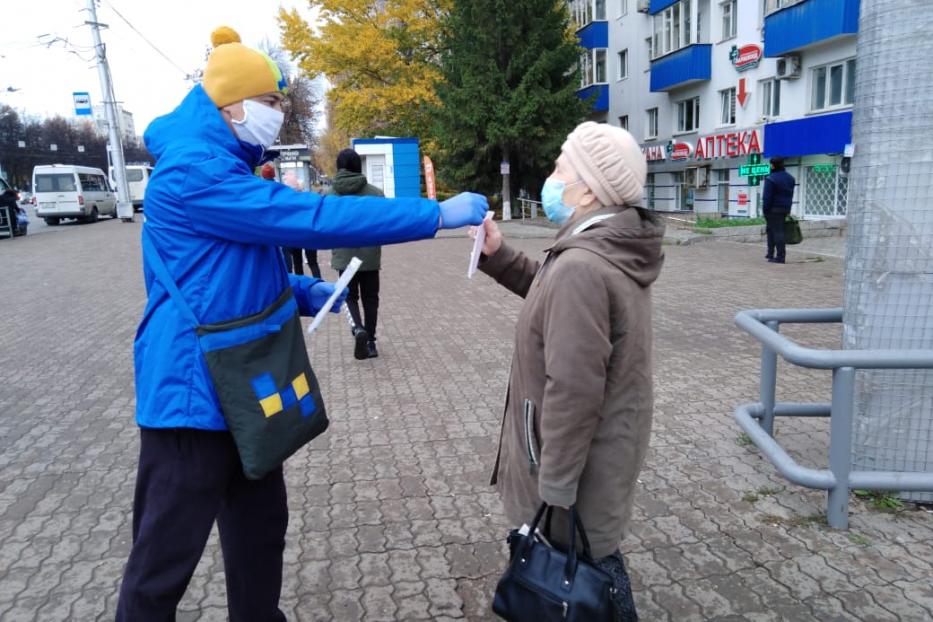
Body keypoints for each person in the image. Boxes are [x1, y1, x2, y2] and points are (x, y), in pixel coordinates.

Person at [116, 26, 486, 621]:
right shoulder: (192, 172)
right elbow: (309, 216)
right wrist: (433, 214)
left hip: (242, 385)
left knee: (260, 534)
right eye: (271, 102)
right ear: (230, 104)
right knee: (162, 563)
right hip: (191, 395)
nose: (279, 113)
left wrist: (305, 290)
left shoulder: (225, 167)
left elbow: (220, 276)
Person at [474, 122, 665, 621]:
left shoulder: (584, 263)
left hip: (570, 475)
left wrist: (554, 491)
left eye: (562, 168)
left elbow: (575, 390)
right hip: (596, 459)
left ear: (587, 189)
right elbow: (552, 294)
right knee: (591, 572)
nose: (552, 178)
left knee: (581, 580)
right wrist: (500, 258)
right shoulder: (600, 247)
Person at [325, 148, 384, 360]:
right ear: (358, 167)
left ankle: (358, 328)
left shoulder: (329, 197)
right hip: (370, 256)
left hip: (343, 256)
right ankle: (370, 342)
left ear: (338, 168)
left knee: (349, 296)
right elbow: (384, 224)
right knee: (370, 298)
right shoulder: (376, 194)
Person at [762, 156, 795, 264]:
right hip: (785, 209)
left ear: (773, 165)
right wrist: (788, 209)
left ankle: (780, 257)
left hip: (772, 209)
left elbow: (767, 197)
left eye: (771, 164)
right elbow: (790, 195)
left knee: (777, 232)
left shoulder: (770, 178)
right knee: (772, 230)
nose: (770, 166)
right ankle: (770, 254)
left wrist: (765, 210)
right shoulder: (790, 178)